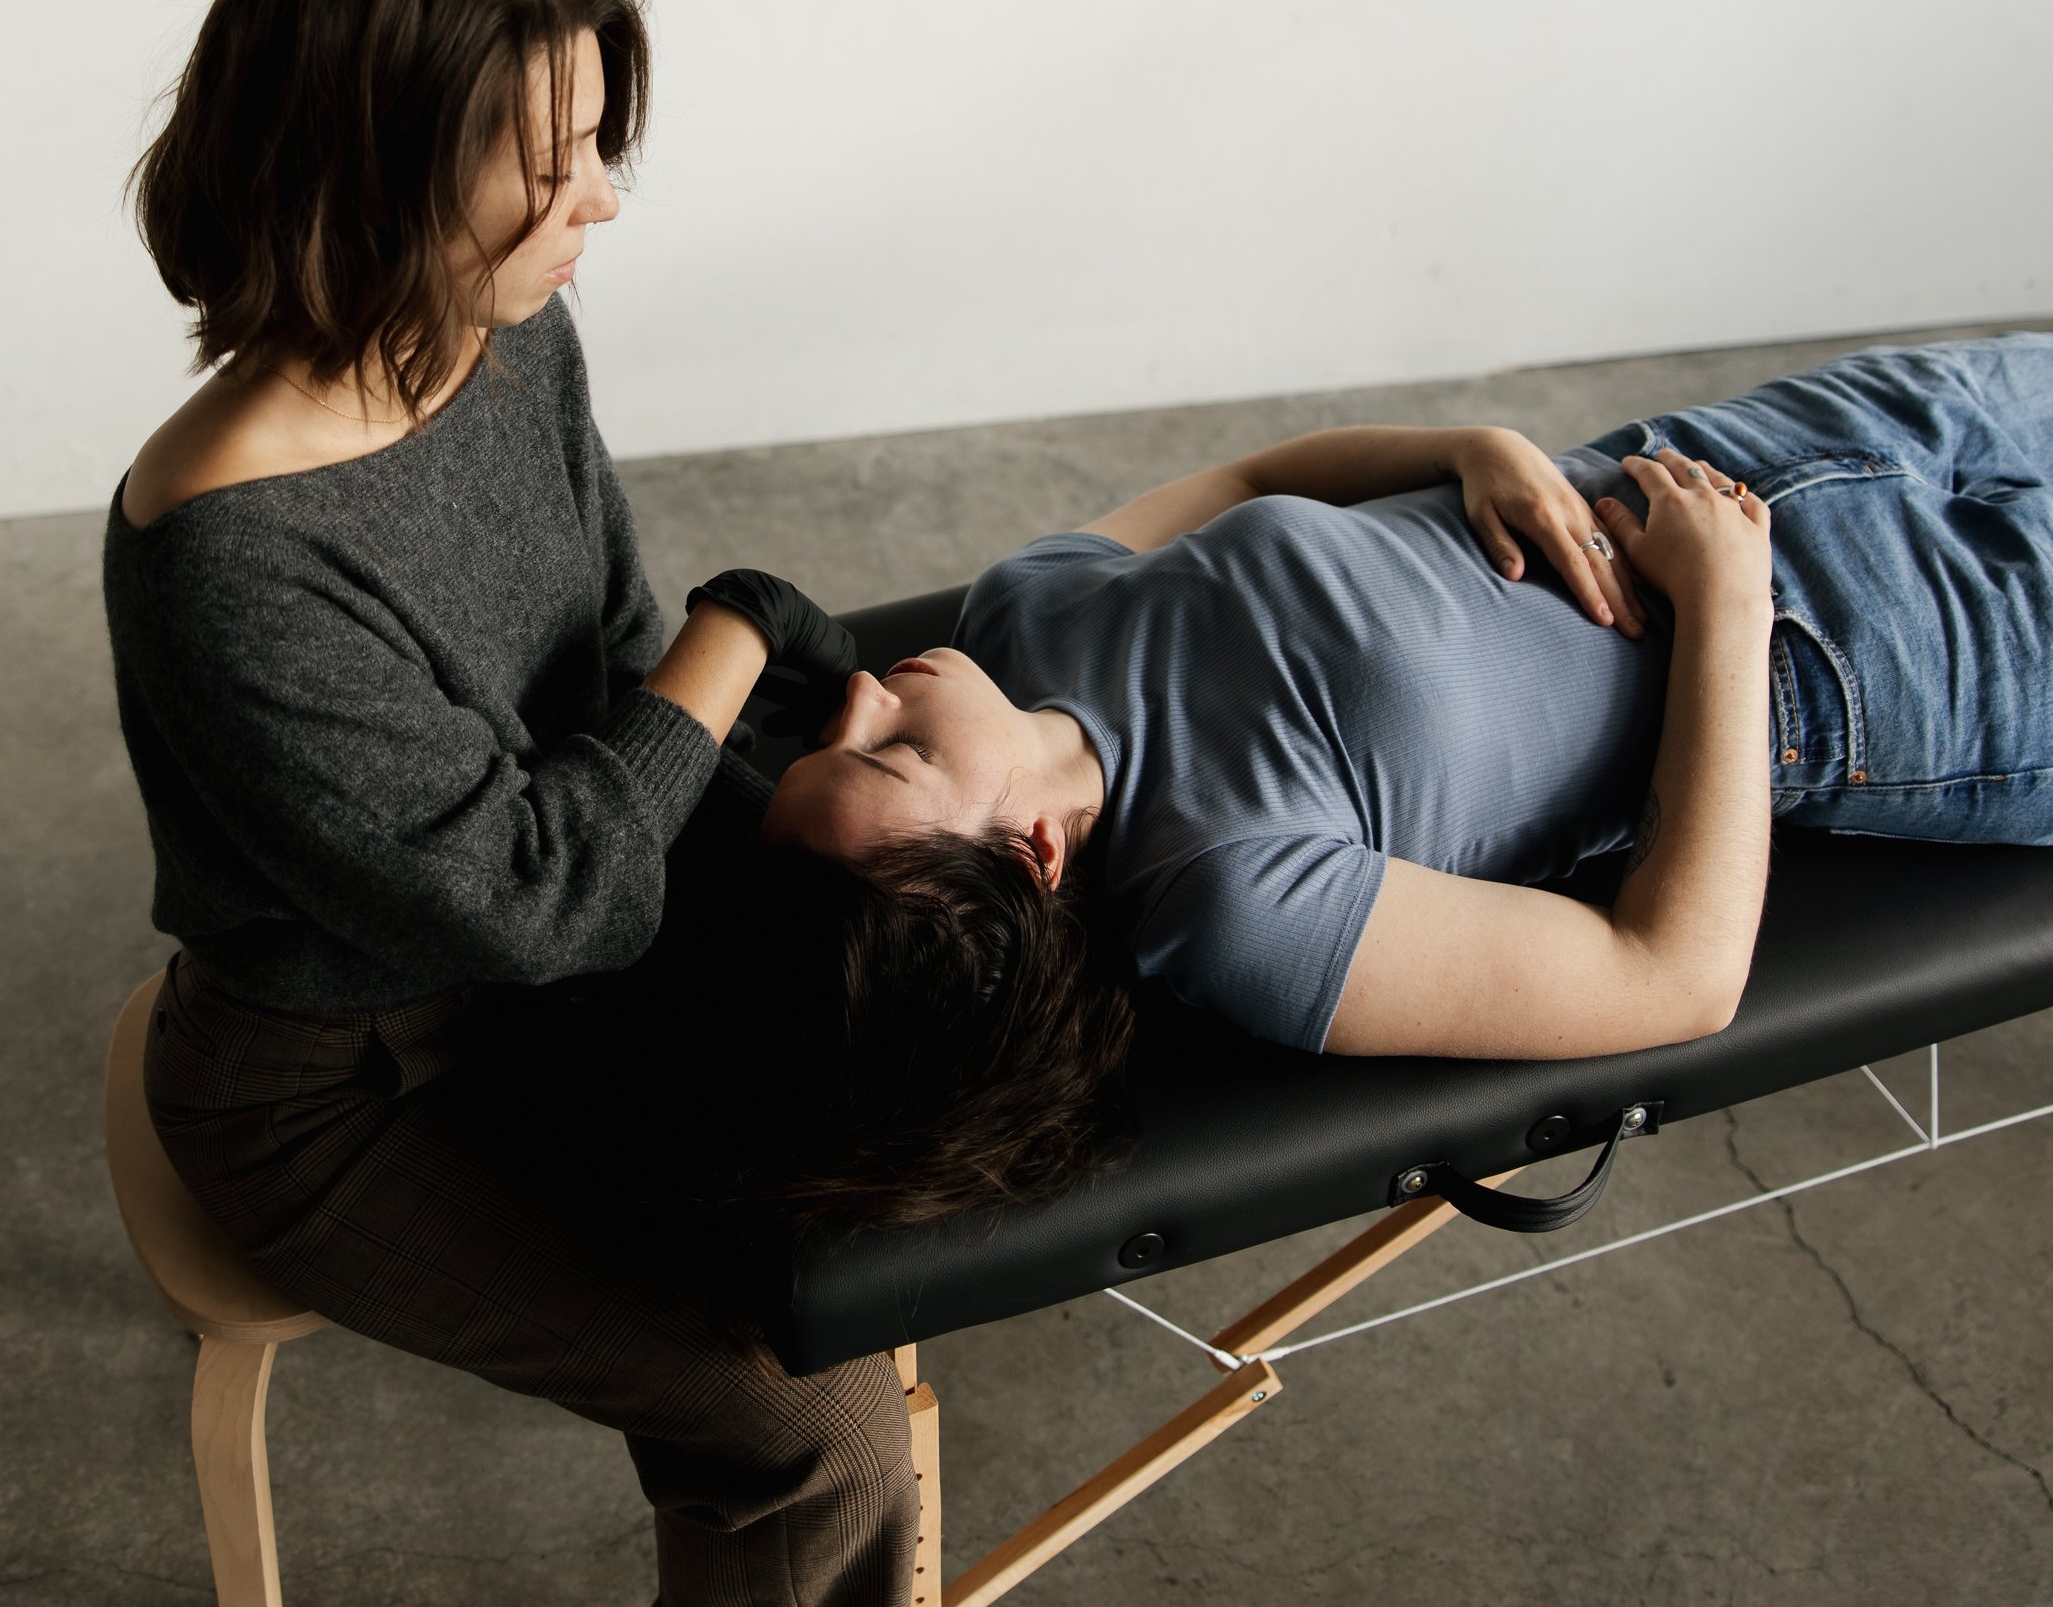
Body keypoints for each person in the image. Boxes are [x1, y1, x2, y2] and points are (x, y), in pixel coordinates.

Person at [102, 0, 935, 1607]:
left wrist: (784, 758)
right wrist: (743, 634)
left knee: (896, 1157)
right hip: (338, 1085)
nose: (601, 207)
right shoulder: (226, 554)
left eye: (598, 150)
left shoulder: (497, 336)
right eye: (550, 165)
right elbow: (551, 883)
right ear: (375, 175)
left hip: (551, 945)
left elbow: (605, 662)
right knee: (810, 1406)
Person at [758, 343, 2053, 1095]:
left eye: (836, 734)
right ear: (1034, 849)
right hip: (1883, 652)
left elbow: (1254, 477)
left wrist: (1461, 446)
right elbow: (1676, 976)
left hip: (1761, 440)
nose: (864, 690)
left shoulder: (1021, 615)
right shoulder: (1233, 902)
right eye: (896, 754)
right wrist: (1729, 604)